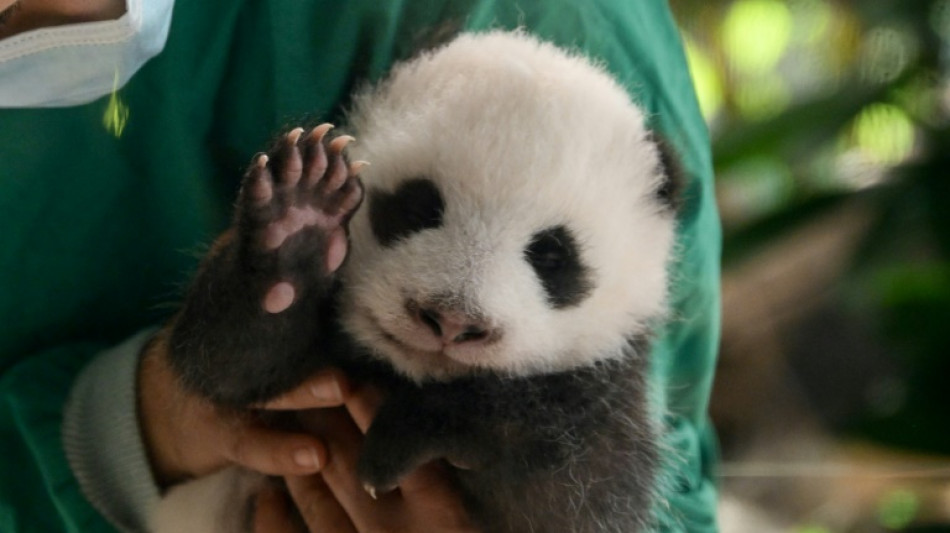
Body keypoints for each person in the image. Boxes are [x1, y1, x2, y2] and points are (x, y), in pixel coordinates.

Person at [0, 1, 722, 531]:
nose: (460, 302)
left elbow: (637, 499)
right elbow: (217, 377)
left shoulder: (550, 33)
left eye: (550, 256)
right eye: (420, 210)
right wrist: (134, 430)